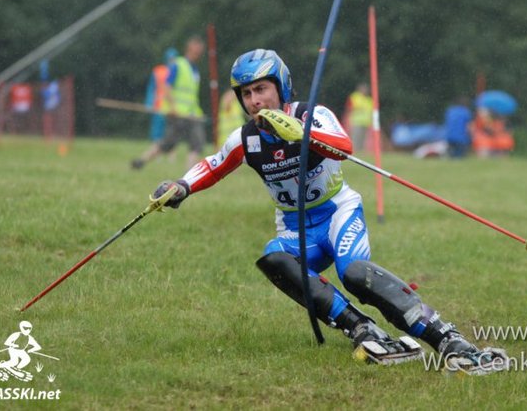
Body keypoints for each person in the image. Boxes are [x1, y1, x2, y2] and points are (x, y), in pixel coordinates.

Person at [152, 49, 507, 373]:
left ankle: (445, 337)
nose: (255, 100)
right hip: (295, 229)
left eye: (261, 89)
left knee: (353, 273)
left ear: (281, 86)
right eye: (246, 94)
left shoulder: (312, 114)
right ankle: (361, 328)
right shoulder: (246, 139)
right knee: (274, 258)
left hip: (337, 214)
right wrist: (181, 186)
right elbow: (212, 165)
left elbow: (344, 147)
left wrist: (302, 133)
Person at [131, 36, 207, 169]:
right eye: (196, 50)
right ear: (189, 48)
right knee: (167, 143)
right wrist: (172, 108)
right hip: (176, 113)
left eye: (200, 51)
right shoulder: (178, 65)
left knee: (197, 143)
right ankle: (141, 161)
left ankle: (189, 176)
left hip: (191, 114)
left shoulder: (195, 70)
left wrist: (197, 112)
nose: (198, 54)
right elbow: (166, 87)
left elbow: (191, 96)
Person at [146, 47, 178, 146]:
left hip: (171, 107)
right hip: (158, 105)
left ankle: (171, 155)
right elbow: (151, 88)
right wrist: (149, 102)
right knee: (157, 131)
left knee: (170, 132)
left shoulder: (177, 71)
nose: (171, 61)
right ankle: (156, 149)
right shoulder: (158, 71)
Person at [344, 82, 373, 152]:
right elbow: (348, 108)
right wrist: (347, 119)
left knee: (362, 140)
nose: (365, 91)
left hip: (365, 123)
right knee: (355, 139)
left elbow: (371, 112)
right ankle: (353, 151)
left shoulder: (369, 100)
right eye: (363, 89)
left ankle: (359, 153)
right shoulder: (354, 97)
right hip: (356, 122)